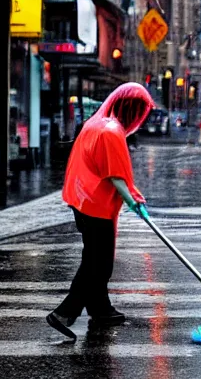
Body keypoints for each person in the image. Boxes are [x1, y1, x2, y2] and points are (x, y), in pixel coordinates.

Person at [47, 82, 155, 339]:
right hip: (95, 205)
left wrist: (134, 196)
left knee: (95, 258)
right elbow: (115, 176)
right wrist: (131, 201)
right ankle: (65, 312)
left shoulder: (96, 125)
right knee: (98, 263)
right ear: (131, 110)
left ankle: (100, 308)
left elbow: (112, 171)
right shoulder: (110, 131)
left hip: (83, 201)